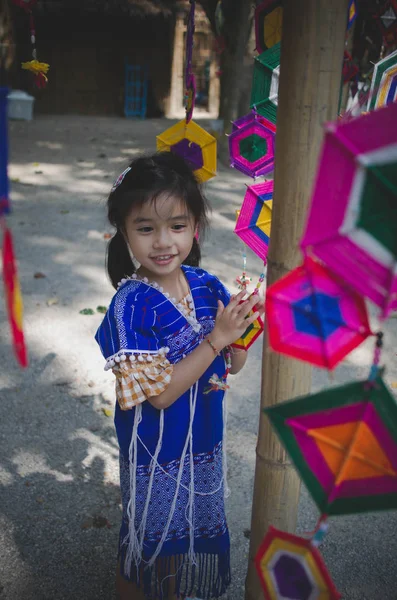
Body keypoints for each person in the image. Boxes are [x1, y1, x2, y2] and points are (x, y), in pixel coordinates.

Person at [95, 152, 263, 600]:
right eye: (146, 228)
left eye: (178, 225)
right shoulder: (130, 306)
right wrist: (215, 338)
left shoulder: (207, 286)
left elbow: (234, 366)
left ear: (196, 228)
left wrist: (241, 331)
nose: (163, 241)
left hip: (202, 442)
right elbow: (161, 396)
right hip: (156, 450)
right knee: (146, 548)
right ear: (124, 233)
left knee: (182, 540)